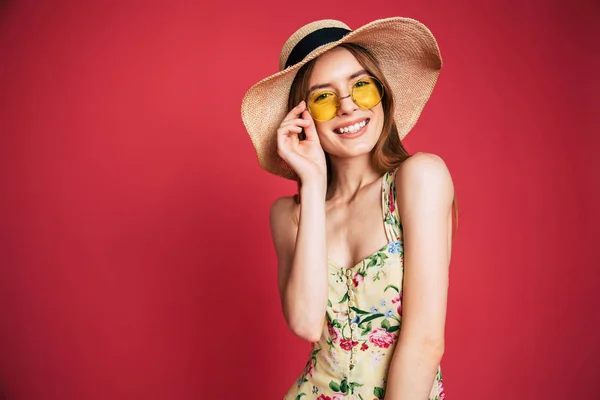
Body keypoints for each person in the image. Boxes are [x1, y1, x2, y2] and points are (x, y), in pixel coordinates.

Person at [241, 17, 456, 400]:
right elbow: (307, 323)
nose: (348, 106)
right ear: (302, 117)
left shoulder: (419, 178)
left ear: (383, 94)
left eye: (361, 86)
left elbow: (424, 343)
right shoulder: (287, 214)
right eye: (323, 97)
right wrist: (311, 182)